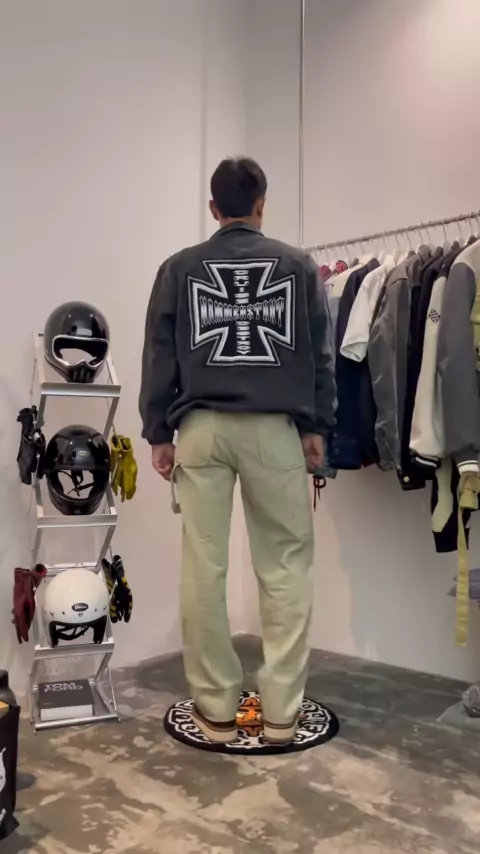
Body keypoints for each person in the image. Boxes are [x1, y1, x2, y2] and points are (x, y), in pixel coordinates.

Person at [140, 157, 336, 744]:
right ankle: (281, 713)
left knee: (204, 566)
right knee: (286, 566)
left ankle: (216, 709)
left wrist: (158, 432)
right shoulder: (298, 267)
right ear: (261, 204)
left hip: (201, 429)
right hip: (274, 429)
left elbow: (159, 353)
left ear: (212, 207)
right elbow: (319, 353)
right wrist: (316, 426)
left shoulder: (178, 269)